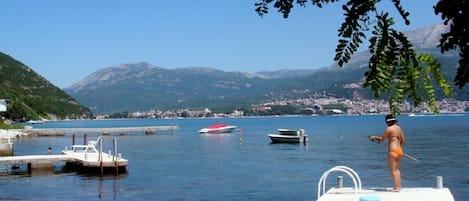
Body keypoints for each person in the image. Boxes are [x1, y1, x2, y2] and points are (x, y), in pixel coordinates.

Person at [369, 114, 405, 192]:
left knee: (393, 170)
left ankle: (396, 188)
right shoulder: (399, 128)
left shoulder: (389, 129)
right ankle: (399, 186)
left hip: (392, 151)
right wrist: (400, 148)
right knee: (397, 170)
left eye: (386, 121)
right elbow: (403, 140)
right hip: (399, 151)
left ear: (388, 121)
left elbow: (381, 139)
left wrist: (374, 137)